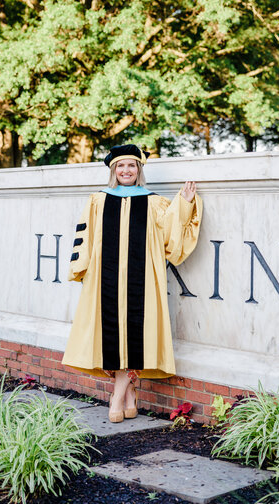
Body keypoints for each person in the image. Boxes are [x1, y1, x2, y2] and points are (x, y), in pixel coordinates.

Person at [62, 144, 203, 422]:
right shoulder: (98, 200)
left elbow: (171, 236)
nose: (127, 170)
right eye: (121, 166)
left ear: (139, 170)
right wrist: (82, 269)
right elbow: (85, 238)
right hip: (105, 280)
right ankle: (128, 396)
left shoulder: (153, 202)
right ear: (114, 170)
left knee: (136, 337)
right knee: (111, 338)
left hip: (143, 282)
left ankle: (117, 397)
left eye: (132, 165)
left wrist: (184, 203)